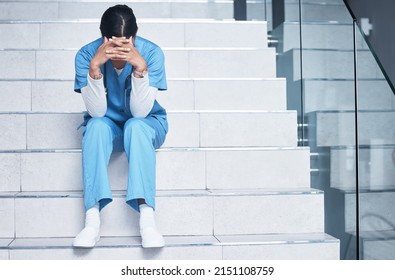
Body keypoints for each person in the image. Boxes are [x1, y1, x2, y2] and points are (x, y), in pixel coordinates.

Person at [72, 4, 168, 248]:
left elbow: (141, 112)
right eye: (113, 43)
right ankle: (92, 220)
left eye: (126, 43)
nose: (119, 51)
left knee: (135, 126)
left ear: (133, 38)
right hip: (108, 126)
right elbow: (97, 112)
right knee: (95, 126)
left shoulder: (152, 53)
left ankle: (147, 220)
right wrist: (94, 69)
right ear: (104, 38)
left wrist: (140, 69)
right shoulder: (86, 55)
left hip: (147, 124)